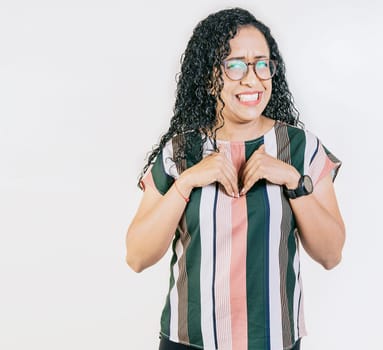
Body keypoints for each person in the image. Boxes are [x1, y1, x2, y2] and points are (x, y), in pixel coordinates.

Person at [126, 7, 345, 350]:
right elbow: (137, 256)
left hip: (274, 342)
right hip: (189, 342)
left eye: (262, 63)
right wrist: (186, 182)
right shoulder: (181, 152)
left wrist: (292, 180)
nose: (252, 79)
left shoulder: (301, 148)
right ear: (209, 75)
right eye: (235, 65)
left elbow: (331, 255)